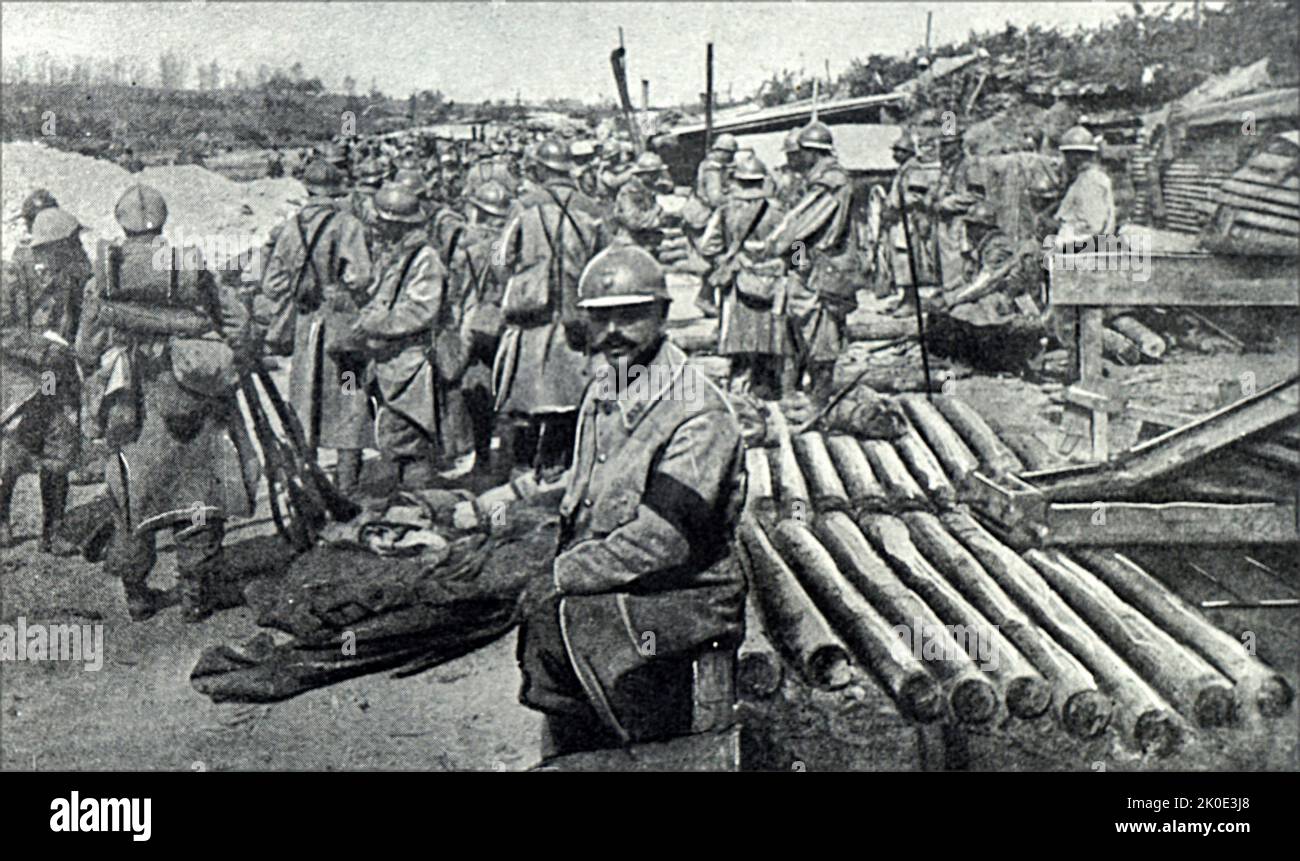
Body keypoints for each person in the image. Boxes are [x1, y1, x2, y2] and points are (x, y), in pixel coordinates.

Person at [516, 245, 745, 757]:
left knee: (568, 637)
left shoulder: (696, 413)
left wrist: (561, 576)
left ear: (662, 316)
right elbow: (588, 489)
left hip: (683, 596)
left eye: (632, 316)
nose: (613, 331)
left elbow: (662, 540)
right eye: (601, 317)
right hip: (619, 578)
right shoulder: (609, 386)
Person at [76, 184, 258, 621]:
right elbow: (238, 322)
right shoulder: (188, 268)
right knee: (197, 489)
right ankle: (196, 595)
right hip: (191, 395)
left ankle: (137, 594)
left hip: (131, 405)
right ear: (164, 220)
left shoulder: (104, 276)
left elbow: (85, 348)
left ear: (121, 223)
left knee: (132, 496)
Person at [255, 159, 374, 497]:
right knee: (349, 397)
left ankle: (309, 483)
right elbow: (362, 276)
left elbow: (273, 284)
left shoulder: (291, 228)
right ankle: (347, 487)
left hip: (308, 332)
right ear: (335, 191)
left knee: (306, 398)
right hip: (344, 335)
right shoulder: (347, 225)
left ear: (306, 190)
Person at [492, 138, 606, 481]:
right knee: (571, 397)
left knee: (524, 398)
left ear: (541, 169)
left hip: (531, 319)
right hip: (576, 318)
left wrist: (522, 276)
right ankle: (561, 471)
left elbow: (500, 259)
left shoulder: (524, 207)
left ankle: (521, 470)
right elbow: (604, 264)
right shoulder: (592, 209)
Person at [356, 185, 471, 487]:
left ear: (396, 223)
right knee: (397, 438)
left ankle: (414, 504)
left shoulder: (425, 258)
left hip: (413, 365)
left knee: (407, 439)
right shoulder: (396, 253)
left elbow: (421, 310)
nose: (377, 228)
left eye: (382, 222)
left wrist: (374, 323)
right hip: (393, 364)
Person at [1, 203, 91, 554]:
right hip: (18, 378)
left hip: (53, 376)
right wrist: (41, 347)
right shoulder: (11, 275)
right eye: (69, 245)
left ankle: (52, 531)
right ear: (49, 247)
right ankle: (1, 521)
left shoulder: (70, 272)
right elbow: (3, 330)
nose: (75, 251)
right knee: (12, 449)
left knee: (59, 444)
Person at [765, 121, 863, 400]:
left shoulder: (830, 182)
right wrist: (795, 260)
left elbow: (802, 228)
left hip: (825, 269)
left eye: (800, 152)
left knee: (821, 331)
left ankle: (819, 399)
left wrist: (777, 247)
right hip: (812, 265)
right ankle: (800, 391)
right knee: (802, 326)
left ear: (812, 152)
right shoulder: (819, 179)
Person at [700, 152, 789, 399]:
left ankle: (739, 393)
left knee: (739, 343)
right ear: (762, 181)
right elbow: (798, 243)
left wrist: (726, 260)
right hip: (772, 284)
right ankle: (768, 391)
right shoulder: (778, 211)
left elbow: (707, 246)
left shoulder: (726, 210)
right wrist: (792, 267)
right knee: (769, 341)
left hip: (738, 284)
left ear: (737, 180)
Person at [445, 181, 511, 477]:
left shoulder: (466, 245)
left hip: (473, 323)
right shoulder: (508, 243)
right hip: (504, 322)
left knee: (475, 391)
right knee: (505, 390)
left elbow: (454, 291)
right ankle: (505, 462)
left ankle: (480, 457)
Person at [1054, 125, 1115, 245]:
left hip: (1082, 251)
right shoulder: (1083, 178)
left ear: (1076, 157)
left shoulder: (1090, 181)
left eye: (1067, 155)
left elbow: (1091, 227)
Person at [610, 151, 672, 256]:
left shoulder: (647, 189)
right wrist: (656, 216)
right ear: (642, 174)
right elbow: (634, 221)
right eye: (653, 173)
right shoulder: (628, 192)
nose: (657, 176)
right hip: (630, 244)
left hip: (647, 240)